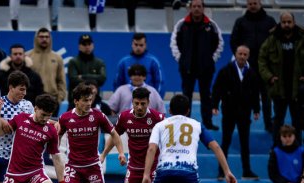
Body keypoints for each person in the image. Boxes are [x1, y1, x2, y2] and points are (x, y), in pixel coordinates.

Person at [170, 0, 223, 130]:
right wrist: (181, 59)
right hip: (187, 67)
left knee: (206, 96)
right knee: (186, 96)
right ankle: (184, 122)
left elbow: (219, 44)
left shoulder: (211, 25)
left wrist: (211, 60)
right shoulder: (182, 24)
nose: (197, 9)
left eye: (199, 6)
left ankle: (208, 122)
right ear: (190, 8)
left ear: (203, 8)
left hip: (206, 68)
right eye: (194, 6)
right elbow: (174, 43)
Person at [212, 45, 260, 180]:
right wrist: (214, 105)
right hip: (229, 112)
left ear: (248, 56)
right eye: (240, 54)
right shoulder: (225, 71)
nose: (242, 57)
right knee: (225, 142)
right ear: (235, 54)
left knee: (245, 143)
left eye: (245, 54)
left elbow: (255, 93)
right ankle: (221, 172)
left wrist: (256, 109)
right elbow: (217, 89)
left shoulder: (251, 73)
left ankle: (246, 171)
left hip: (245, 113)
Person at [230, 0, 276, 133]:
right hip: (246, 66)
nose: (252, 5)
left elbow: (275, 42)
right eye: (250, 3)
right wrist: (241, 58)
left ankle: (269, 124)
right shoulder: (240, 22)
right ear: (247, 4)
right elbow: (234, 41)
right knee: (243, 96)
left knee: (266, 96)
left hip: (265, 66)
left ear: (260, 3)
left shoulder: (270, 21)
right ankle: (243, 123)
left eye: (255, 3)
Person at [258, 12, 304, 145]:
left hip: (297, 89)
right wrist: (269, 77)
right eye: (284, 22)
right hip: (279, 88)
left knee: (298, 120)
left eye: (289, 22)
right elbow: (262, 59)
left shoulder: (301, 38)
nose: (287, 25)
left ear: (294, 22)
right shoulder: (272, 39)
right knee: (278, 119)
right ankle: (276, 146)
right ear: (280, 23)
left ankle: (298, 147)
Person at [26, 28, 66, 116]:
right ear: (36, 38)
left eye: (47, 37)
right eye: (41, 37)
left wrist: (59, 98)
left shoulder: (57, 57)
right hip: (33, 100)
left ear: (50, 39)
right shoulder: (28, 56)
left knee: (50, 128)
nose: (44, 39)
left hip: (52, 99)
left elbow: (61, 80)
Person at [114, 33, 163, 98]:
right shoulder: (123, 62)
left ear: (145, 45)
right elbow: (118, 83)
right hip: (127, 99)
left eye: (141, 45)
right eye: (136, 45)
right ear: (132, 45)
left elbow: (159, 82)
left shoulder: (153, 62)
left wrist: (155, 98)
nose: (138, 47)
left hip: (148, 99)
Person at [67, 34, 106, 111]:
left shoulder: (99, 62)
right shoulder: (73, 62)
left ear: (93, 45)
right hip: (76, 101)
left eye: (89, 44)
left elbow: (102, 79)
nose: (87, 46)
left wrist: (83, 76)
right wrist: (94, 80)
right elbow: (73, 79)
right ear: (79, 46)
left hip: (94, 101)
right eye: (84, 44)